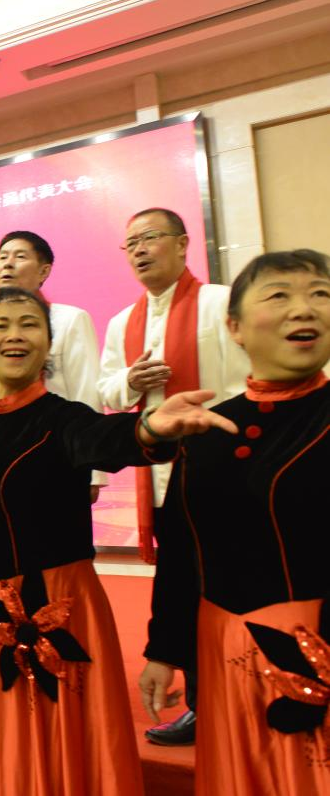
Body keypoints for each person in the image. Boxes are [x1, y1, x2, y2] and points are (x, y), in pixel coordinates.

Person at [0, 286, 233, 795]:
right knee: (2, 743)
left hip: (58, 607)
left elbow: (105, 439)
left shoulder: (64, 418)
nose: (14, 335)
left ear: (48, 343)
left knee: (66, 742)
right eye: (0, 325)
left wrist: (149, 429)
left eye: (29, 324)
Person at [140, 249, 330, 796]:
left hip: (316, 655)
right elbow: (181, 548)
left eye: (320, 295)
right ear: (235, 328)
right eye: (280, 295)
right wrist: (164, 649)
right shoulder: (208, 428)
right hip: (223, 652)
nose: (304, 309)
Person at [98, 207, 249, 744]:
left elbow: (252, 377)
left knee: (233, 588)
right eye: (131, 243)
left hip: (229, 475)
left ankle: (247, 694)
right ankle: (203, 703)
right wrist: (131, 380)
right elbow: (105, 390)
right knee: (183, 590)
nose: (139, 250)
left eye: (150, 238)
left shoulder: (222, 301)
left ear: (183, 243)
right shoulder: (123, 322)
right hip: (164, 479)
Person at [0, 232, 106, 499]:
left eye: (19, 257)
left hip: (50, 453)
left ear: (44, 271)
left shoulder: (69, 319)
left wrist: (92, 471)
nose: (8, 263)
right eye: (2, 257)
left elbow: (86, 394)